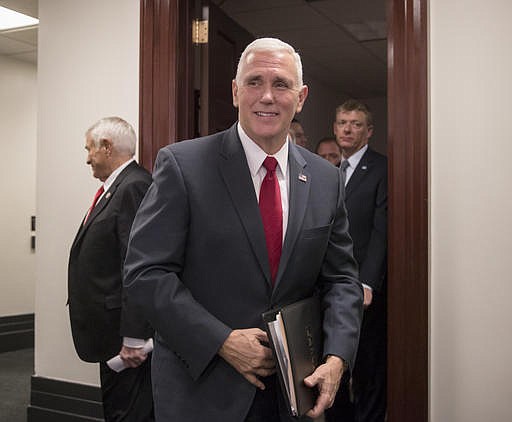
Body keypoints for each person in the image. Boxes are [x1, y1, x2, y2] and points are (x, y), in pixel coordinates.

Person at [123, 38, 363, 422]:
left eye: (281, 84)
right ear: (235, 92)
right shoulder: (183, 166)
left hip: (294, 394)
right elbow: (145, 274)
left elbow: (342, 280)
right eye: (254, 82)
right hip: (204, 390)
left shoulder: (325, 179)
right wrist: (221, 341)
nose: (267, 96)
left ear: (300, 97)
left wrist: (337, 357)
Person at [67, 117, 154, 421]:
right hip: (109, 335)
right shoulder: (115, 187)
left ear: (107, 147)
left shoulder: (133, 186)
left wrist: (134, 337)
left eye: (89, 148)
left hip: (124, 339)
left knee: (128, 414)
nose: (87, 157)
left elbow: (137, 265)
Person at [327, 100, 387, 422]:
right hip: (332, 287)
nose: (347, 129)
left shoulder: (381, 168)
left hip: (364, 290)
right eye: (342, 122)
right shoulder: (330, 171)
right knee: (335, 364)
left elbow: (381, 231)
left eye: (356, 124)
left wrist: (367, 281)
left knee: (368, 367)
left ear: (369, 131)